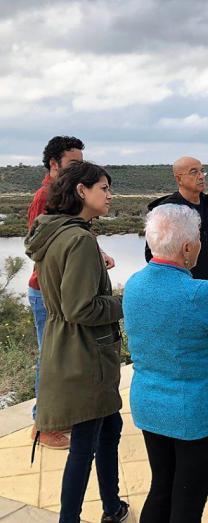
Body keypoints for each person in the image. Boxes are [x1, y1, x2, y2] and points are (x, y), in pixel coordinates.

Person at [123, 204, 208, 523]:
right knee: (188, 500)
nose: (200, 244)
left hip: (150, 406)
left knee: (162, 488)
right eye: (198, 238)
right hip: (197, 413)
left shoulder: (134, 285)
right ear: (186, 248)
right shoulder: (200, 294)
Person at [24, 161, 128, 523]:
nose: (110, 195)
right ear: (82, 191)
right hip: (85, 352)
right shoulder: (80, 239)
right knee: (85, 442)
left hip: (64, 344)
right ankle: (73, 517)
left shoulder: (52, 231)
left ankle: (112, 506)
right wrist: (125, 301)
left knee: (109, 427)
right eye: (103, 188)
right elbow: (81, 307)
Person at [26, 136, 84, 450]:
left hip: (62, 291)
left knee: (61, 358)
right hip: (46, 291)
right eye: (73, 164)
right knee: (49, 360)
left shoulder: (65, 194)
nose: (79, 169)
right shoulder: (44, 195)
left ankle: (58, 418)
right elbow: (36, 246)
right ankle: (41, 426)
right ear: (54, 164)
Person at [145, 156, 208, 287]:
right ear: (179, 179)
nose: (201, 176)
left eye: (202, 171)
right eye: (194, 172)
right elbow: (152, 254)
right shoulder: (167, 210)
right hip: (183, 289)